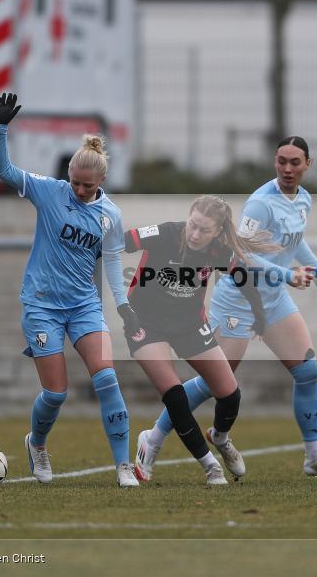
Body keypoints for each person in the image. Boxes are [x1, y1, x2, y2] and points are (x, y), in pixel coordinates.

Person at [135, 136, 317, 479]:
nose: (287, 168)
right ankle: (152, 438)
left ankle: (314, 457)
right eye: (281, 161)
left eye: (295, 162)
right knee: (213, 383)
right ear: (274, 161)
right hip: (237, 301)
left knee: (307, 371)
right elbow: (242, 255)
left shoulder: (304, 199)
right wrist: (287, 275)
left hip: (273, 299)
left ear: (308, 164)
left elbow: (296, 243)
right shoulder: (260, 203)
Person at [0, 93, 139, 488]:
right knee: (56, 394)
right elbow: (4, 171)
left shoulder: (110, 215)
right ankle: (37, 444)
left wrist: (123, 306)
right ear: (68, 174)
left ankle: (124, 466)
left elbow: (111, 262)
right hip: (42, 305)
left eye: (87, 185)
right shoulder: (50, 191)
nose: (79, 190)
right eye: (74, 182)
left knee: (107, 380)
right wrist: (0, 129)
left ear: (101, 182)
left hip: (83, 306)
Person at [122, 195, 284, 485]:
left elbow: (244, 278)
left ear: (217, 232)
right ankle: (209, 466)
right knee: (175, 396)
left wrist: (259, 316)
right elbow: (120, 242)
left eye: (204, 230)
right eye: (193, 225)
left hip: (189, 325)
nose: (195, 234)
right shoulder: (166, 233)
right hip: (145, 323)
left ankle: (220, 438)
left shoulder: (219, 250)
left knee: (230, 393)